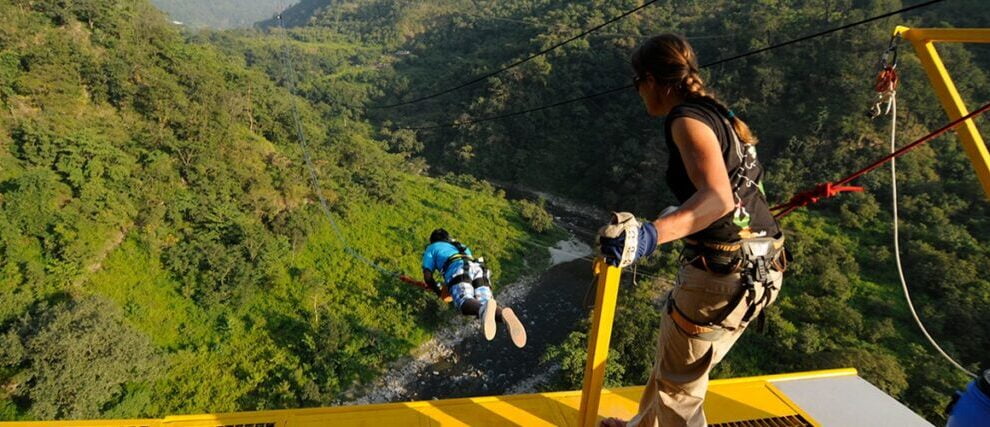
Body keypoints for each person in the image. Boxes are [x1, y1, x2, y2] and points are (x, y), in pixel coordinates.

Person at [598, 34, 788, 427]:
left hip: (719, 277)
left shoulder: (686, 120)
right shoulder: (718, 114)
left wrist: (648, 236)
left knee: (679, 393)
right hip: (764, 265)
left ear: (651, 80)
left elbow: (717, 199)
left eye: (637, 82)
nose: (638, 91)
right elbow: (735, 193)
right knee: (675, 371)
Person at [422, 228, 527, 348]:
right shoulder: (460, 245)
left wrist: (437, 291)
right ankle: (503, 315)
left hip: (457, 269)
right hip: (478, 269)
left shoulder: (432, 248)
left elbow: (428, 277)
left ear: (433, 240)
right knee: (486, 304)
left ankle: (482, 310)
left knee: (464, 301)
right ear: (447, 238)